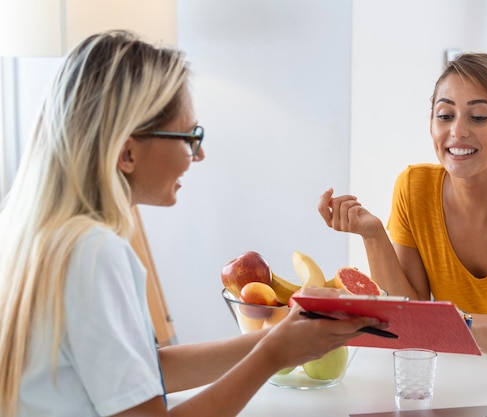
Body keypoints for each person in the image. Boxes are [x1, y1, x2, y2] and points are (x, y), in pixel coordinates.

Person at [0, 30, 381, 417]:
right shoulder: (94, 252)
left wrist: (283, 339)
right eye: (189, 137)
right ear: (127, 152)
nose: (198, 155)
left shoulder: (34, 232)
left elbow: (149, 370)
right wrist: (271, 354)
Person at [318, 52, 487, 357]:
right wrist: (373, 235)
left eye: (479, 117)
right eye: (445, 116)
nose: (458, 131)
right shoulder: (414, 186)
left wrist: (454, 324)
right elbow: (409, 312)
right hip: (448, 370)